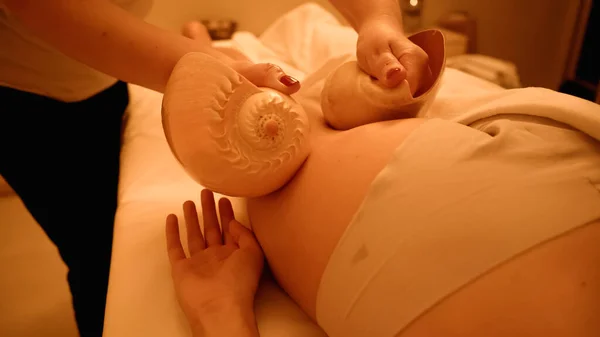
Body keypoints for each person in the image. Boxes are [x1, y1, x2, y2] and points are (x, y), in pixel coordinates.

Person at [164, 3, 600, 337]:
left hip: (358, 209)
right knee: (305, 97)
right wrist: (380, 23)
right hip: (555, 177)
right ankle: (210, 44)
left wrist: (220, 314)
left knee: (292, 103)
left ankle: (209, 43)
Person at [0, 1, 429, 336]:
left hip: (104, 65)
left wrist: (378, 17)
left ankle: (201, 39)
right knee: (93, 252)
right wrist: (198, 67)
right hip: (26, 82)